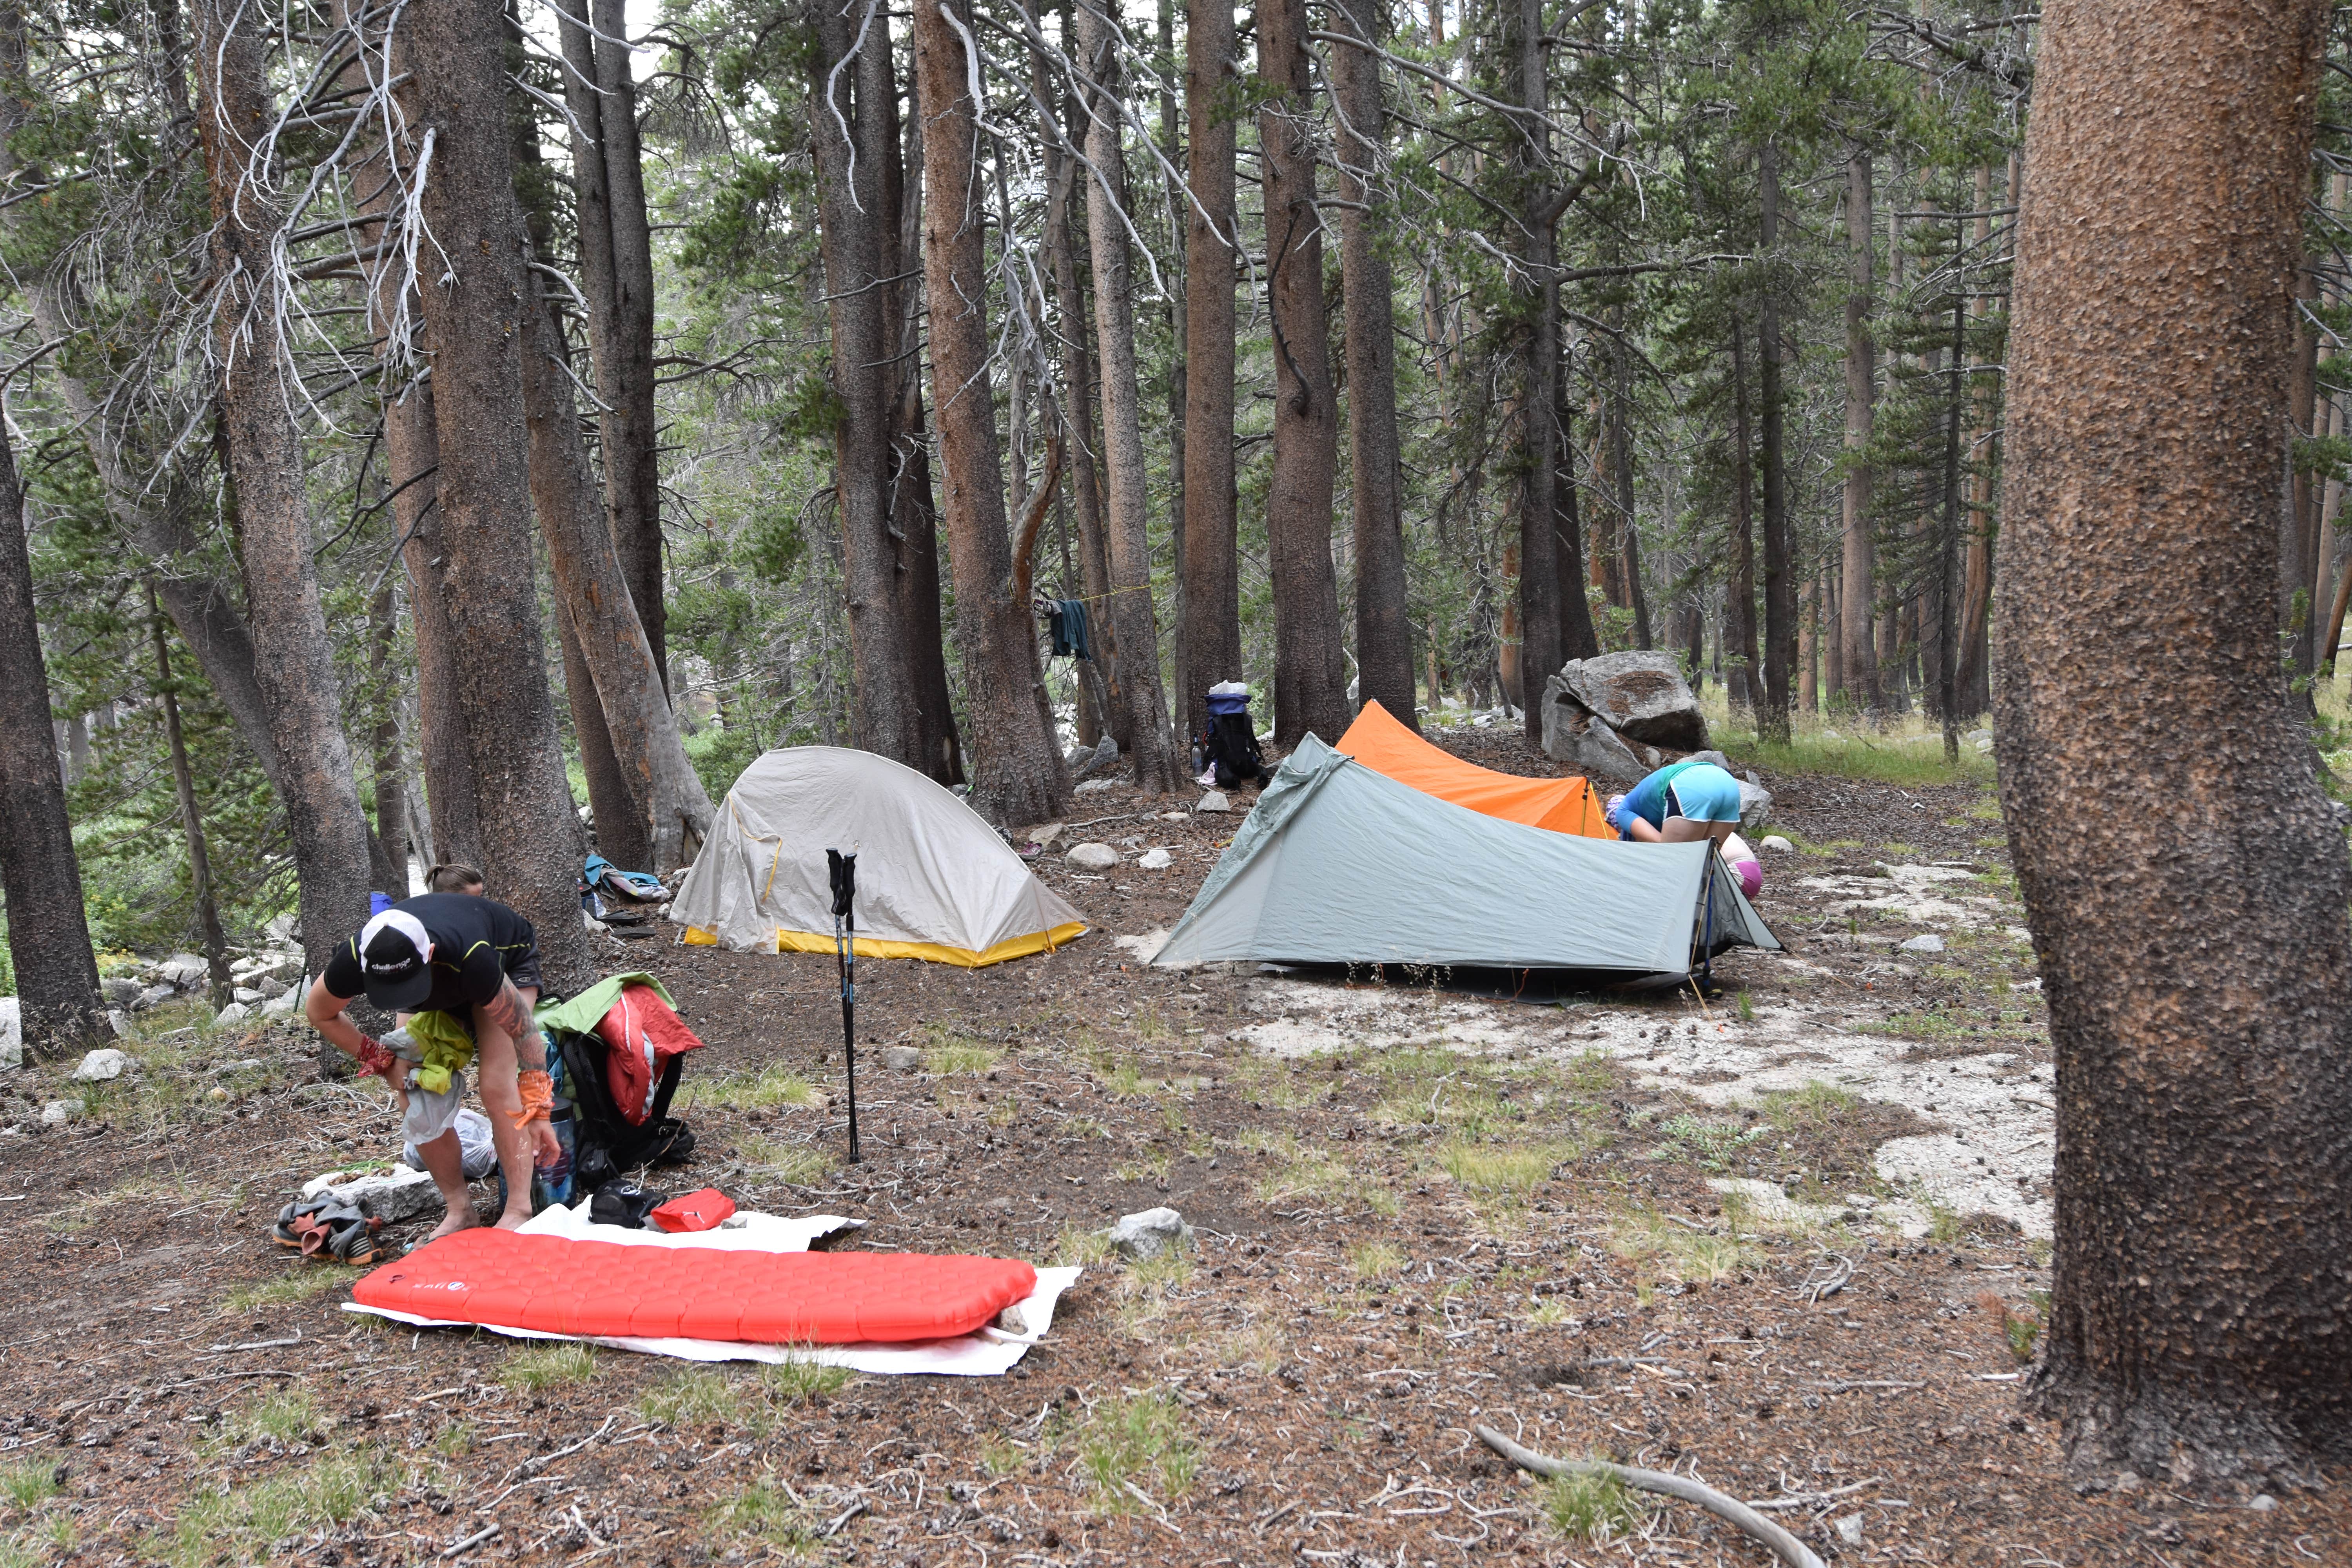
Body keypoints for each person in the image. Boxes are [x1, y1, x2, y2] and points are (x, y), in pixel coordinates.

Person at [304, 892, 559, 1237]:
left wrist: (539, 1108)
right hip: (440, 978)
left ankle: (518, 1210)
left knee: (497, 1084)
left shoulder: (474, 958)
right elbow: (320, 1012)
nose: (402, 999)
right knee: (413, 1089)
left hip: (503, 961)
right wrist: (380, 1061)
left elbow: (524, 1033)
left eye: (407, 986)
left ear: (430, 955)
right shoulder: (354, 957)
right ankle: (460, 1210)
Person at [1606, 760, 1765, 898]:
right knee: (1705, 862)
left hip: (1690, 786)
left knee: (1674, 866)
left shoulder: (1623, 812)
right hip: (1728, 785)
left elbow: (1662, 847)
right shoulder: (1646, 802)